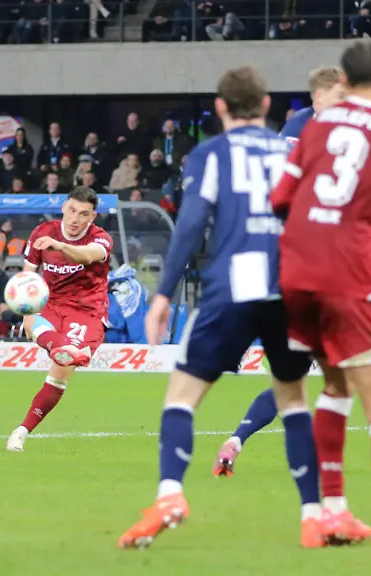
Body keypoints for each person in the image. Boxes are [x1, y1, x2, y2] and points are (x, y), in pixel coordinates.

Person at [117, 66, 322, 551]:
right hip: (290, 285)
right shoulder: (294, 153)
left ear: (222, 109)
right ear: (269, 106)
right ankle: (313, 516)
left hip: (233, 285)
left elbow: (189, 226)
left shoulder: (210, 154)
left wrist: (163, 294)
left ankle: (170, 495)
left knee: (182, 396)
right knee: (293, 401)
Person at [215, 66, 371, 479]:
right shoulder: (334, 131)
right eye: (336, 94)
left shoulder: (299, 131)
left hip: (299, 263)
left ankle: (237, 439)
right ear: (320, 96)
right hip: (338, 264)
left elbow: (278, 197)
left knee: (298, 372)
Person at [269, 41, 371, 556]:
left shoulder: (313, 127)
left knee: (334, 387)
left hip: (297, 268)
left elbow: (279, 200)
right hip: (352, 271)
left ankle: (334, 511)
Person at [5, 187, 112, 452]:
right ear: (64, 207)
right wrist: (27, 312)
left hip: (86, 310)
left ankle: (20, 431)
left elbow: (88, 255)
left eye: (84, 214)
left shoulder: (101, 239)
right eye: (72, 210)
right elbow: (28, 274)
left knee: (60, 372)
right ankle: (64, 348)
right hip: (50, 304)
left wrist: (61, 246)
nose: (75, 219)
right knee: (38, 330)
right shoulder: (42, 232)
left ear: (93, 217)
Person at [279, 65, 345, 146]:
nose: (348, 101)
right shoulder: (297, 123)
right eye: (341, 96)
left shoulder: (355, 121)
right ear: (319, 97)